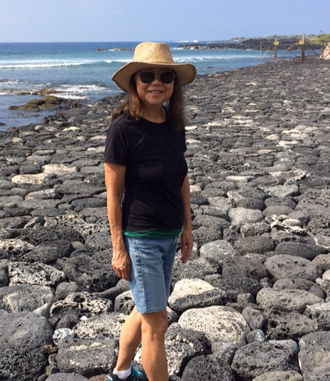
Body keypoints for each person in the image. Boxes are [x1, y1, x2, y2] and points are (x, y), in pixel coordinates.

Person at [104, 42, 195, 381]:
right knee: (157, 322)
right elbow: (113, 195)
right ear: (134, 82)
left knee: (145, 313)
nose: (157, 83)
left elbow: (181, 178)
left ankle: (121, 373)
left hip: (170, 235)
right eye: (147, 75)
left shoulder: (174, 126)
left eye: (165, 76)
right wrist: (118, 247)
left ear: (174, 83)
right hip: (140, 238)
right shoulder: (123, 129)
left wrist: (187, 228)